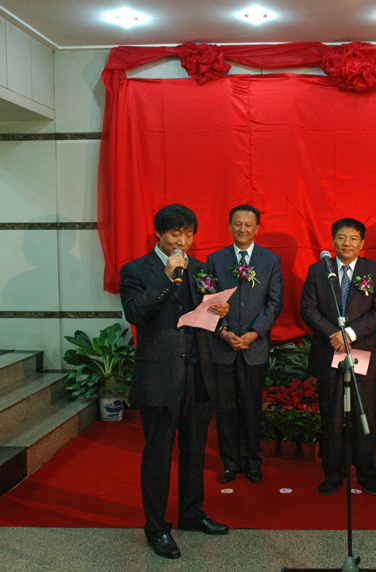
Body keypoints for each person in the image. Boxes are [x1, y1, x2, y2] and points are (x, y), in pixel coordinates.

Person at [119, 204, 230, 560]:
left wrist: (218, 312)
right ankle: (156, 528)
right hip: (160, 374)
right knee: (158, 453)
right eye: (175, 234)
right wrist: (167, 277)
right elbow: (136, 313)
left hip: (197, 371)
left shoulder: (199, 268)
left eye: (189, 234)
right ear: (159, 234)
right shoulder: (136, 270)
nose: (183, 241)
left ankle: (191, 513)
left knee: (195, 450)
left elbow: (203, 316)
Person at [300, 218, 376, 495]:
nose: (346, 243)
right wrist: (334, 335)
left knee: (365, 415)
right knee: (332, 416)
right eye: (341, 237)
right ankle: (333, 473)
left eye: (352, 238)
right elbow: (308, 309)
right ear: (333, 240)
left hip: (362, 350)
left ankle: (366, 473)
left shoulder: (374, 270)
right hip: (329, 351)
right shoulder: (318, 270)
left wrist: (349, 334)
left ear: (362, 243)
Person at [207, 204, 284, 484]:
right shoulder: (215, 259)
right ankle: (230, 463)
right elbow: (208, 301)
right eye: (237, 223)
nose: (242, 229)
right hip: (223, 346)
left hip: (255, 347)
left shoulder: (270, 260)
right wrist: (223, 332)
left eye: (248, 224)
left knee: (251, 408)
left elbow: (275, 303)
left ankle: (252, 461)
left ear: (257, 228)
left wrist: (254, 332)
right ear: (229, 225)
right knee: (225, 409)